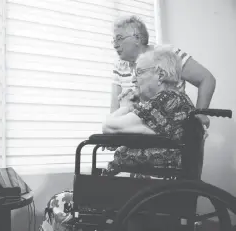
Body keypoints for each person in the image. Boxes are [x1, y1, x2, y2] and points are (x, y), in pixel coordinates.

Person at [39, 47, 196, 231]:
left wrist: (126, 106)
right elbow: (116, 130)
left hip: (142, 188)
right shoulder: (171, 101)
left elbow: (110, 127)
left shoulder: (167, 99)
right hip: (145, 184)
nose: (134, 79)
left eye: (139, 72)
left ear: (160, 74)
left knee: (58, 202)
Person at [111, 16, 215, 129]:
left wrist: (200, 114)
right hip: (138, 129)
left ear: (137, 38)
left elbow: (207, 78)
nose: (115, 44)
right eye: (114, 40)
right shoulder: (119, 66)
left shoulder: (167, 54)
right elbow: (115, 108)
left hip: (169, 129)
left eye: (119, 38)